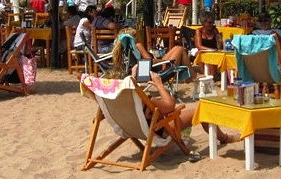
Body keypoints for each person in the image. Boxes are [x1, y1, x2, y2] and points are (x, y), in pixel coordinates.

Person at [101, 57, 236, 145]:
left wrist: (133, 79)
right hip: (159, 132)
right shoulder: (143, 100)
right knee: (200, 111)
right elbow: (170, 106)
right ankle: (224, 139)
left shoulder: (108, 100)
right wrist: (159, 85)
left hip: (132, 129)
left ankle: (185, 137)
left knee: (161, 106)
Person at [113, 28, 200, 80]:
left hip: (151, 68)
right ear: (135, 36)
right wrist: (165, 61)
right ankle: (193, 76)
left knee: (176, 48)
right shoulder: (138, 45)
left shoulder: (129, 49)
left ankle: (189, 76)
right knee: (180, 49)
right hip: (157, 69)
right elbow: (149, 61)